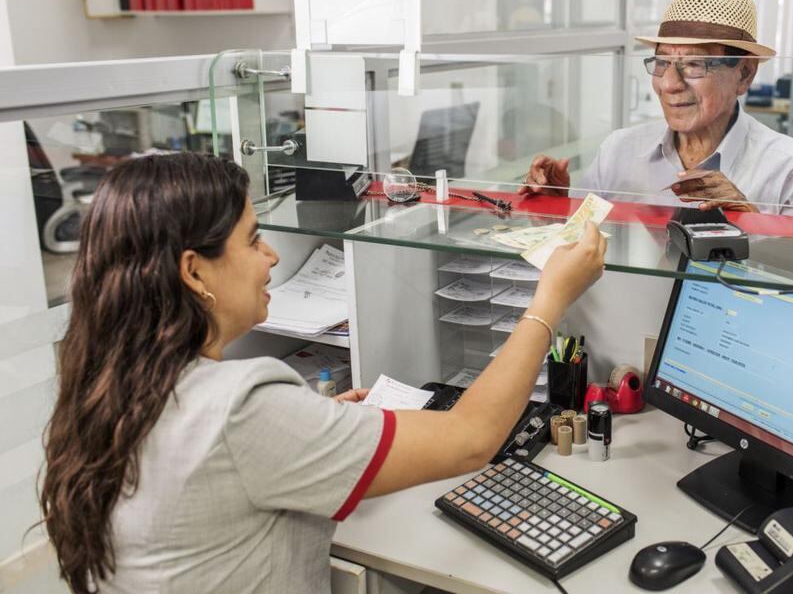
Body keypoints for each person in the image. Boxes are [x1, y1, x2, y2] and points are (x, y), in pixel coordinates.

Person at [39, 152, 606, 594]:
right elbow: (470, 441)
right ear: (194, 271)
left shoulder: (106, 387)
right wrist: (549, 299)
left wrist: (307, 428)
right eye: (253, 239)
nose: (272, 257)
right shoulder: (242, 409)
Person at [519, 0, 793, 216]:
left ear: (744, 74)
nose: (668, 85)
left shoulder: (790, 169)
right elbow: (578, 249)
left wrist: (748, 222)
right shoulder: (618, 151)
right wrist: (555, 208)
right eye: (662, 62)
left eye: (695, 64)